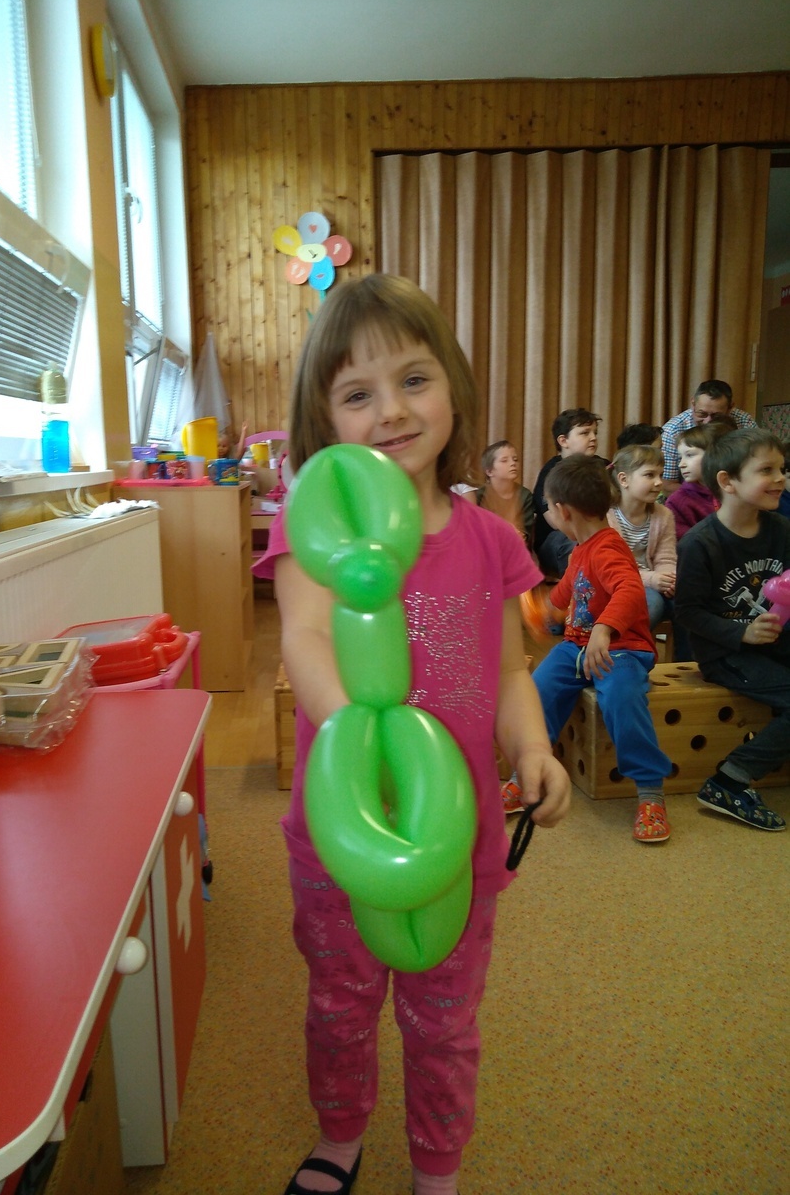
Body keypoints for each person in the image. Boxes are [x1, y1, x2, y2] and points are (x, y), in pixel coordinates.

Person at [252, 274, 571, 1195]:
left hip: (456, 838)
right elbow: (305, 636)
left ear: (454, 391)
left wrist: (534, 749)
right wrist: (359, 731)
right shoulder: (315, 533)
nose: (391, 411)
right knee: (341, 1004)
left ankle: (437, 1166)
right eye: (357, 393)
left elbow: (508, 670)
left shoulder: (491, 538)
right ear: (323, 418)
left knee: (444, 1020)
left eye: (414, 380)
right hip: (341, 836)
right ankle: (340, 1137)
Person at [503, 455, 673, 843]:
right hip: (577, 647)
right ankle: (526, 774)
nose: (547, 513)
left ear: (563, 511)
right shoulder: (581, 548)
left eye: (547, 507)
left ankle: (650, 792)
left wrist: (603, 629)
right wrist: (545, 611)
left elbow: (630, 590)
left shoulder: (608, 547)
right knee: (537, 691)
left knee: (622, 699)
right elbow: (564, 592)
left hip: (622, 649)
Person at [674, 428, 789, 831]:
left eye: (782, 469)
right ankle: (729, 782)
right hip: (725, 652)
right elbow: (687, 612)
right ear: (728, 481)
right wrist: (742, 634)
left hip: (775, 640)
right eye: (766, 470)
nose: (780, 478)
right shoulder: (699, 543)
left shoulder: (781, 530)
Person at [606, 445, 677, 632]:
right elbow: (612, 568)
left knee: (688, 602)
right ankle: (622, 647)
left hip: (652, 581)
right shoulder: (605, 516)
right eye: (649, 475)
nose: (659, 482)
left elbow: (666, 557)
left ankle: (686, 654)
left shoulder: (664, 515)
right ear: (624, 479)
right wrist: (652, 579)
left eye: (660, 475)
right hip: (616, 584)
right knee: (651, 602)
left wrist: (668, 580)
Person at [533, 407, 606, 578]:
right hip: (559, 537)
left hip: (597, 532)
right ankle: (579, 589)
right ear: (563, 441)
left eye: (595, 432)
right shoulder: (551, 472)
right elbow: (555, 521)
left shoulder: (604, 467)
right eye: (585, 433)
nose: (593, 438)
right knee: (574, 545)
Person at [660, 380, 756, 495]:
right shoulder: (672, 431)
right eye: (702, 414)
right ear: (693, 404)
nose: (707, 421)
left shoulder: (745, 423)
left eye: (716, 415)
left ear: (730, 408)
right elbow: (668, 485)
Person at [664, 419, 736, 540]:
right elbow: (686, 544)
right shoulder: (677, 501)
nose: (681, 464)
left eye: (689, 455)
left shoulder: (737, 490)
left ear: (715, 454)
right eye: (680, 457)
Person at [476, 439, 536, 550]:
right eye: (504, 460)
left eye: (515, 459)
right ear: (489, 471)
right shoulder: (479, 495)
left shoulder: (525, 495)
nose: (513, 463)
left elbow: (526, 534)